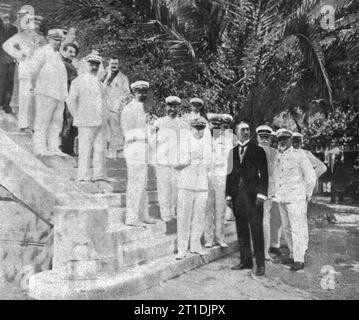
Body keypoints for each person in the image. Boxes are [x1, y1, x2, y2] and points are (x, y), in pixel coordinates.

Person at [226, 121, 268, 276]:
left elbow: (264, 175)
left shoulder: (258, 150)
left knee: (257, 230)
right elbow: (229, 176)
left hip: (254, 197)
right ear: (236, 132)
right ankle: (246, 261)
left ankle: (260, 264)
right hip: (238, 197)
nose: (246, 132)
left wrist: (262, 194)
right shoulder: (232, 152)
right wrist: (228, 195)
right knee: (241, 229)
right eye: (242, 130)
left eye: (248, 130)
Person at [273, 129, 316, 272]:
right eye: (280, 140)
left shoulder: (300, 155)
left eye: (285, 139)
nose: (282, 142)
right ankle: (292, 254)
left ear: (290, 140)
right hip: (282, 198)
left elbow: (310, 177)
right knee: (286, 228)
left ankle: (299, 259)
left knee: (298, 229)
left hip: (296, 198)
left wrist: (307, 195)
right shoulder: (278, 155)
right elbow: (276, 177)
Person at [66, 54, 111, 182]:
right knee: (85, 149)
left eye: (97, 64)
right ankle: (83, 175)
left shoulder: (99, 82)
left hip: (100, 121)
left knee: (100, 150)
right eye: (91, 64)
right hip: (86, 121)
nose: (94, 67)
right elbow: (70, 101)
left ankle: (99, 175)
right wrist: (78, 116)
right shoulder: (79, 81)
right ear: (86, 65)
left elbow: (103, 102)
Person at [121, 81, 158, 226]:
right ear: (133, 93)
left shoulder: (144, 109)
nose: (142, 94)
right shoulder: (128, 109)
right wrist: (144, 133)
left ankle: (144, 215)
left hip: (144, 150)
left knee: (143, 184)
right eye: (139, 92)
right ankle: (131, 218)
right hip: (133, 149)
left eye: (144, 92)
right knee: (135, 184)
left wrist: (152, 129)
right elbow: (127, 132)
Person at [175, 117, 212, 260]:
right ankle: (182, 249)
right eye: (196, 128)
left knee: (199, 217)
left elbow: (210, 167)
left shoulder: (208, 146)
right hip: (186, 184)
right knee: (184, 217)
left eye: (202, 128)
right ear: (191, 128)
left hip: (202, 185)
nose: (199, 131)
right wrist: (189, 159)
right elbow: (175, 164)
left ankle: (195, 245)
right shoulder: (184, 143)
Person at [3, 14, 46, 133]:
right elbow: (6, 45)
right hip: (26, 67)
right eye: (33, 23)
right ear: (28, 24)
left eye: (38, 24)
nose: (36, 26)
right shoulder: (20, 36)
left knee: (36, 96)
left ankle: (34, 124)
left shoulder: (41, 38)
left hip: (38, 69)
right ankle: (23, 123)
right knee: (25, 95)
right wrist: (18, 54)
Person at [29, 29, 68, 157]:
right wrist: (35, 87)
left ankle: (54, 147)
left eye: (60, 41)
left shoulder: (58, 55)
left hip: (58, 94)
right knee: (42, 121)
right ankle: (40, 148)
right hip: (45, 92)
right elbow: (33, 71)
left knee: (57, 122)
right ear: (49, 39)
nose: (58, 43)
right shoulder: (42, 52)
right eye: (55, 40)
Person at [152, 96, 184, 222]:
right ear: (166, 107)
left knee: (175, 187)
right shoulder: (158, 122)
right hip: (162, 160)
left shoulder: (182, 124)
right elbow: (152, 141)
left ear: (179, 108)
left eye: (175, 106)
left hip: (176, 160)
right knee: (163, 187)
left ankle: (172, 210)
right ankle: (164, 212)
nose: (172, 109)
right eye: (170, 106)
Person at [204, 113, 233, 249]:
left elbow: (229, 162)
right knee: (208, 210)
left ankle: (220, 238)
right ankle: (208, 239)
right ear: (208, 125)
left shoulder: (226, 140)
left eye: (217, 125)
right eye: (213, 124)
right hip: (206, 178)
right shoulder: (203, 139)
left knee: (220, 210)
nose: (215, 127)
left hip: (221, 178)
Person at [256, 125, 282, 260]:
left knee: (265, 221)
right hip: (253, 192)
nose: (264, 140)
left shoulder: (275, 153)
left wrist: (276, 191)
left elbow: (277, 174)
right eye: (262, 137)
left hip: (268, 192)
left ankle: (264, 252)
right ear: (257, 138)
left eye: (267, 137)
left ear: (271, 139)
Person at [100, 57, 131, 158]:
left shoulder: (122, 77)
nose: (113, 66)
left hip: (114, 108)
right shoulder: (103, 75)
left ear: (119, 65)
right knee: (103, 130)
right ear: (108, 64)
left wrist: (119, 103)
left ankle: (112, 151)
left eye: (116, 64)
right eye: (112, 64)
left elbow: (127, 93)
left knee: (114, 130)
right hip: (103, 106)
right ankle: (102, 151)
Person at [60, 42, 80, 156]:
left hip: (70, 95)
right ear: (64, 52)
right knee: (69, 121)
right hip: (67, 96)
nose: (72, 54)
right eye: (70, 51)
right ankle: (67, 148)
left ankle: (67, 147)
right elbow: (72, 80)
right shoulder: (65, 65)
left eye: (74, 52)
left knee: (69, 121)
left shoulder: (70, 65)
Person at [0, 3, 18, 114]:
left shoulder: (14, 29)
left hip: (10, 59)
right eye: (3, 12)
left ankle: (6, 104)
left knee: (10, 81)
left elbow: (16, 44)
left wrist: (16, 55)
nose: (6, 15)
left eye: (7, 13)